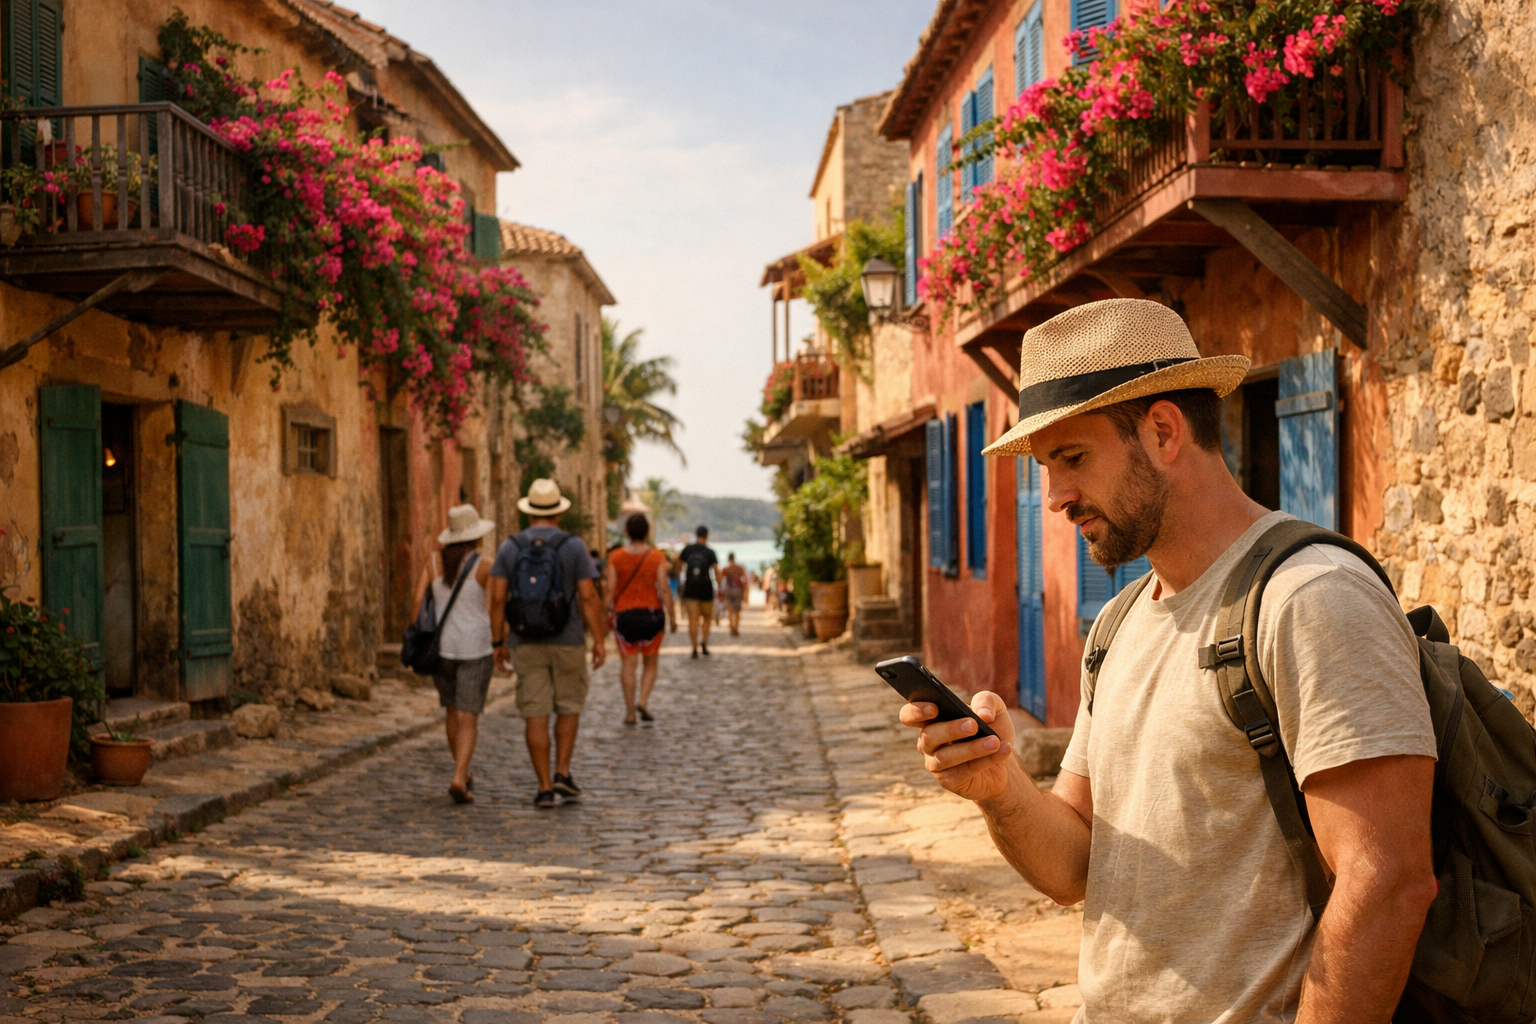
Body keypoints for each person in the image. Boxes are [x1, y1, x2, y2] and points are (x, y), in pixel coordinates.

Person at [902, 299, 1437, 1023]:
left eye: (1072, 458)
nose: (1054, 496)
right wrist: (999, 789)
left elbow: (1389, 881)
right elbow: (1073, 868)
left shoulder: (1311, 598)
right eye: (1045, 466)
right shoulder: (1121, 622)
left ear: (1162, 431)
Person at [489, 479, 607, 809]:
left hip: (525, 641)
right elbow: (587, 595)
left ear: (528, 513)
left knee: (535, 714)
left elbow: (498, 597)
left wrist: (498, 640)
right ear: (558, 513)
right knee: (569, 705)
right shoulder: (573, 546)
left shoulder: (509, 547)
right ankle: (562, 771)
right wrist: (598, 640)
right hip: (567, 639)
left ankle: (543, 787)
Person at [410, 504, 496, 806]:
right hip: (475, 649)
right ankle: (460, 776)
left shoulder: (433, 562)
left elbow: (419, 601)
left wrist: (420, 638)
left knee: (451, 710)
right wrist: (500, 641)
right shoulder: (484, 565)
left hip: (441, 650)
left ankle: (462, 768)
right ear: (475, 536)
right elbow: (496, 602)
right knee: (468, 716)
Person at [604, 513, 674, 725]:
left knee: (628, 664)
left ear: (626, 532)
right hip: (652, 615)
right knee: (650, 663)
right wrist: (672, 615)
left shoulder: (615, 557)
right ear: (647, 532)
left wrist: (605, 612)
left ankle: (630, 713)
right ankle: (643, 700)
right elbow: (663, 587)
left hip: (624, 615)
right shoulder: (656, 557)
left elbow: (610, 588)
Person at [677, 525, 719, 658]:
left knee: (692, 620)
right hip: (706, 590)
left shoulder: (687, 550)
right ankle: (704, 643)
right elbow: (717, 573)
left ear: (696, 535)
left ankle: (694, 647)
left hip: (690, 590)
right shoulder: (710, 552)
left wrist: (680, 582)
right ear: (706, 536)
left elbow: (678, 566)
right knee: (707, 618)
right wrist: (720, 588)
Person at [720, 553, 747, 636]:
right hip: (738, 591)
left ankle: (732, 628)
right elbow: (744, 580)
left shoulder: (726, 569)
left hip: (729, 591)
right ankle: (736, 628)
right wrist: (745, 593)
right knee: (737, 612)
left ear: (728, 559)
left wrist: (721, 592)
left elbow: (722, 580)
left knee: (730, 611)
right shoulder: (739, 568)